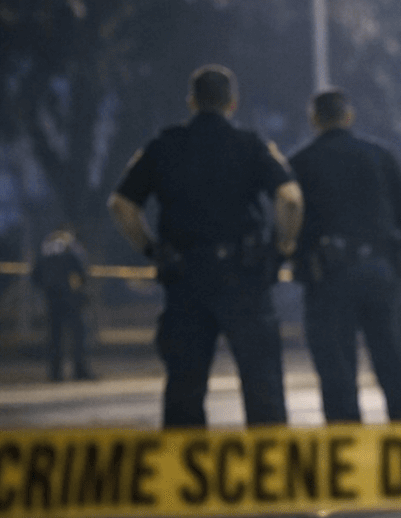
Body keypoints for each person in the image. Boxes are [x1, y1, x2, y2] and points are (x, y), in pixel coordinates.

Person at [109, 65, 302, 428]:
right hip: (244, 278)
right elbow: (290, 198)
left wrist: (152, 250)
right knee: (263, 388)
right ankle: (270, 461)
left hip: (185, 279)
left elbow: (121, 205)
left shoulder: (163, 146)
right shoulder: (250, 145)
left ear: (192, 101)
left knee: (184, 390)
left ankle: (185, 462)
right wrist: (283, 247)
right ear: (232, 103)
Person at [290, 89, 401, 423]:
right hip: (381, 272)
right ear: (348, 116)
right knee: (397, 368)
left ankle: (346, 446)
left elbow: (291, 214)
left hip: (328, 279)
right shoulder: (380, 155)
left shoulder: (301, 162)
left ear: (314, 119)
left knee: (338, 376)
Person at [32, 227, 94, 381]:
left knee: (55, 338)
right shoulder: (72, 251)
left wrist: (47, 289)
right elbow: (82, 274)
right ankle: (79, 371)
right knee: (77, 336)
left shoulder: (44, 253)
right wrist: (80, 292)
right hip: (71, 300)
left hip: (52, 300)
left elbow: (35, 277)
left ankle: (55, 374)